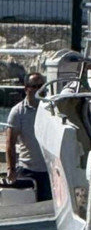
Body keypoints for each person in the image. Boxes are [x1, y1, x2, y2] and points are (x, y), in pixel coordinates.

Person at [6, 73, 51, 201]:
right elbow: (10, 143)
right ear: (26, 88)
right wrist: (11, 169)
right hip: (27, 169)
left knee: (48, 209)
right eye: (34, 86)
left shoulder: (51, 109)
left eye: (41, 86)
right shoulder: (18, 112)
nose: (38, 90)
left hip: (49, 170)